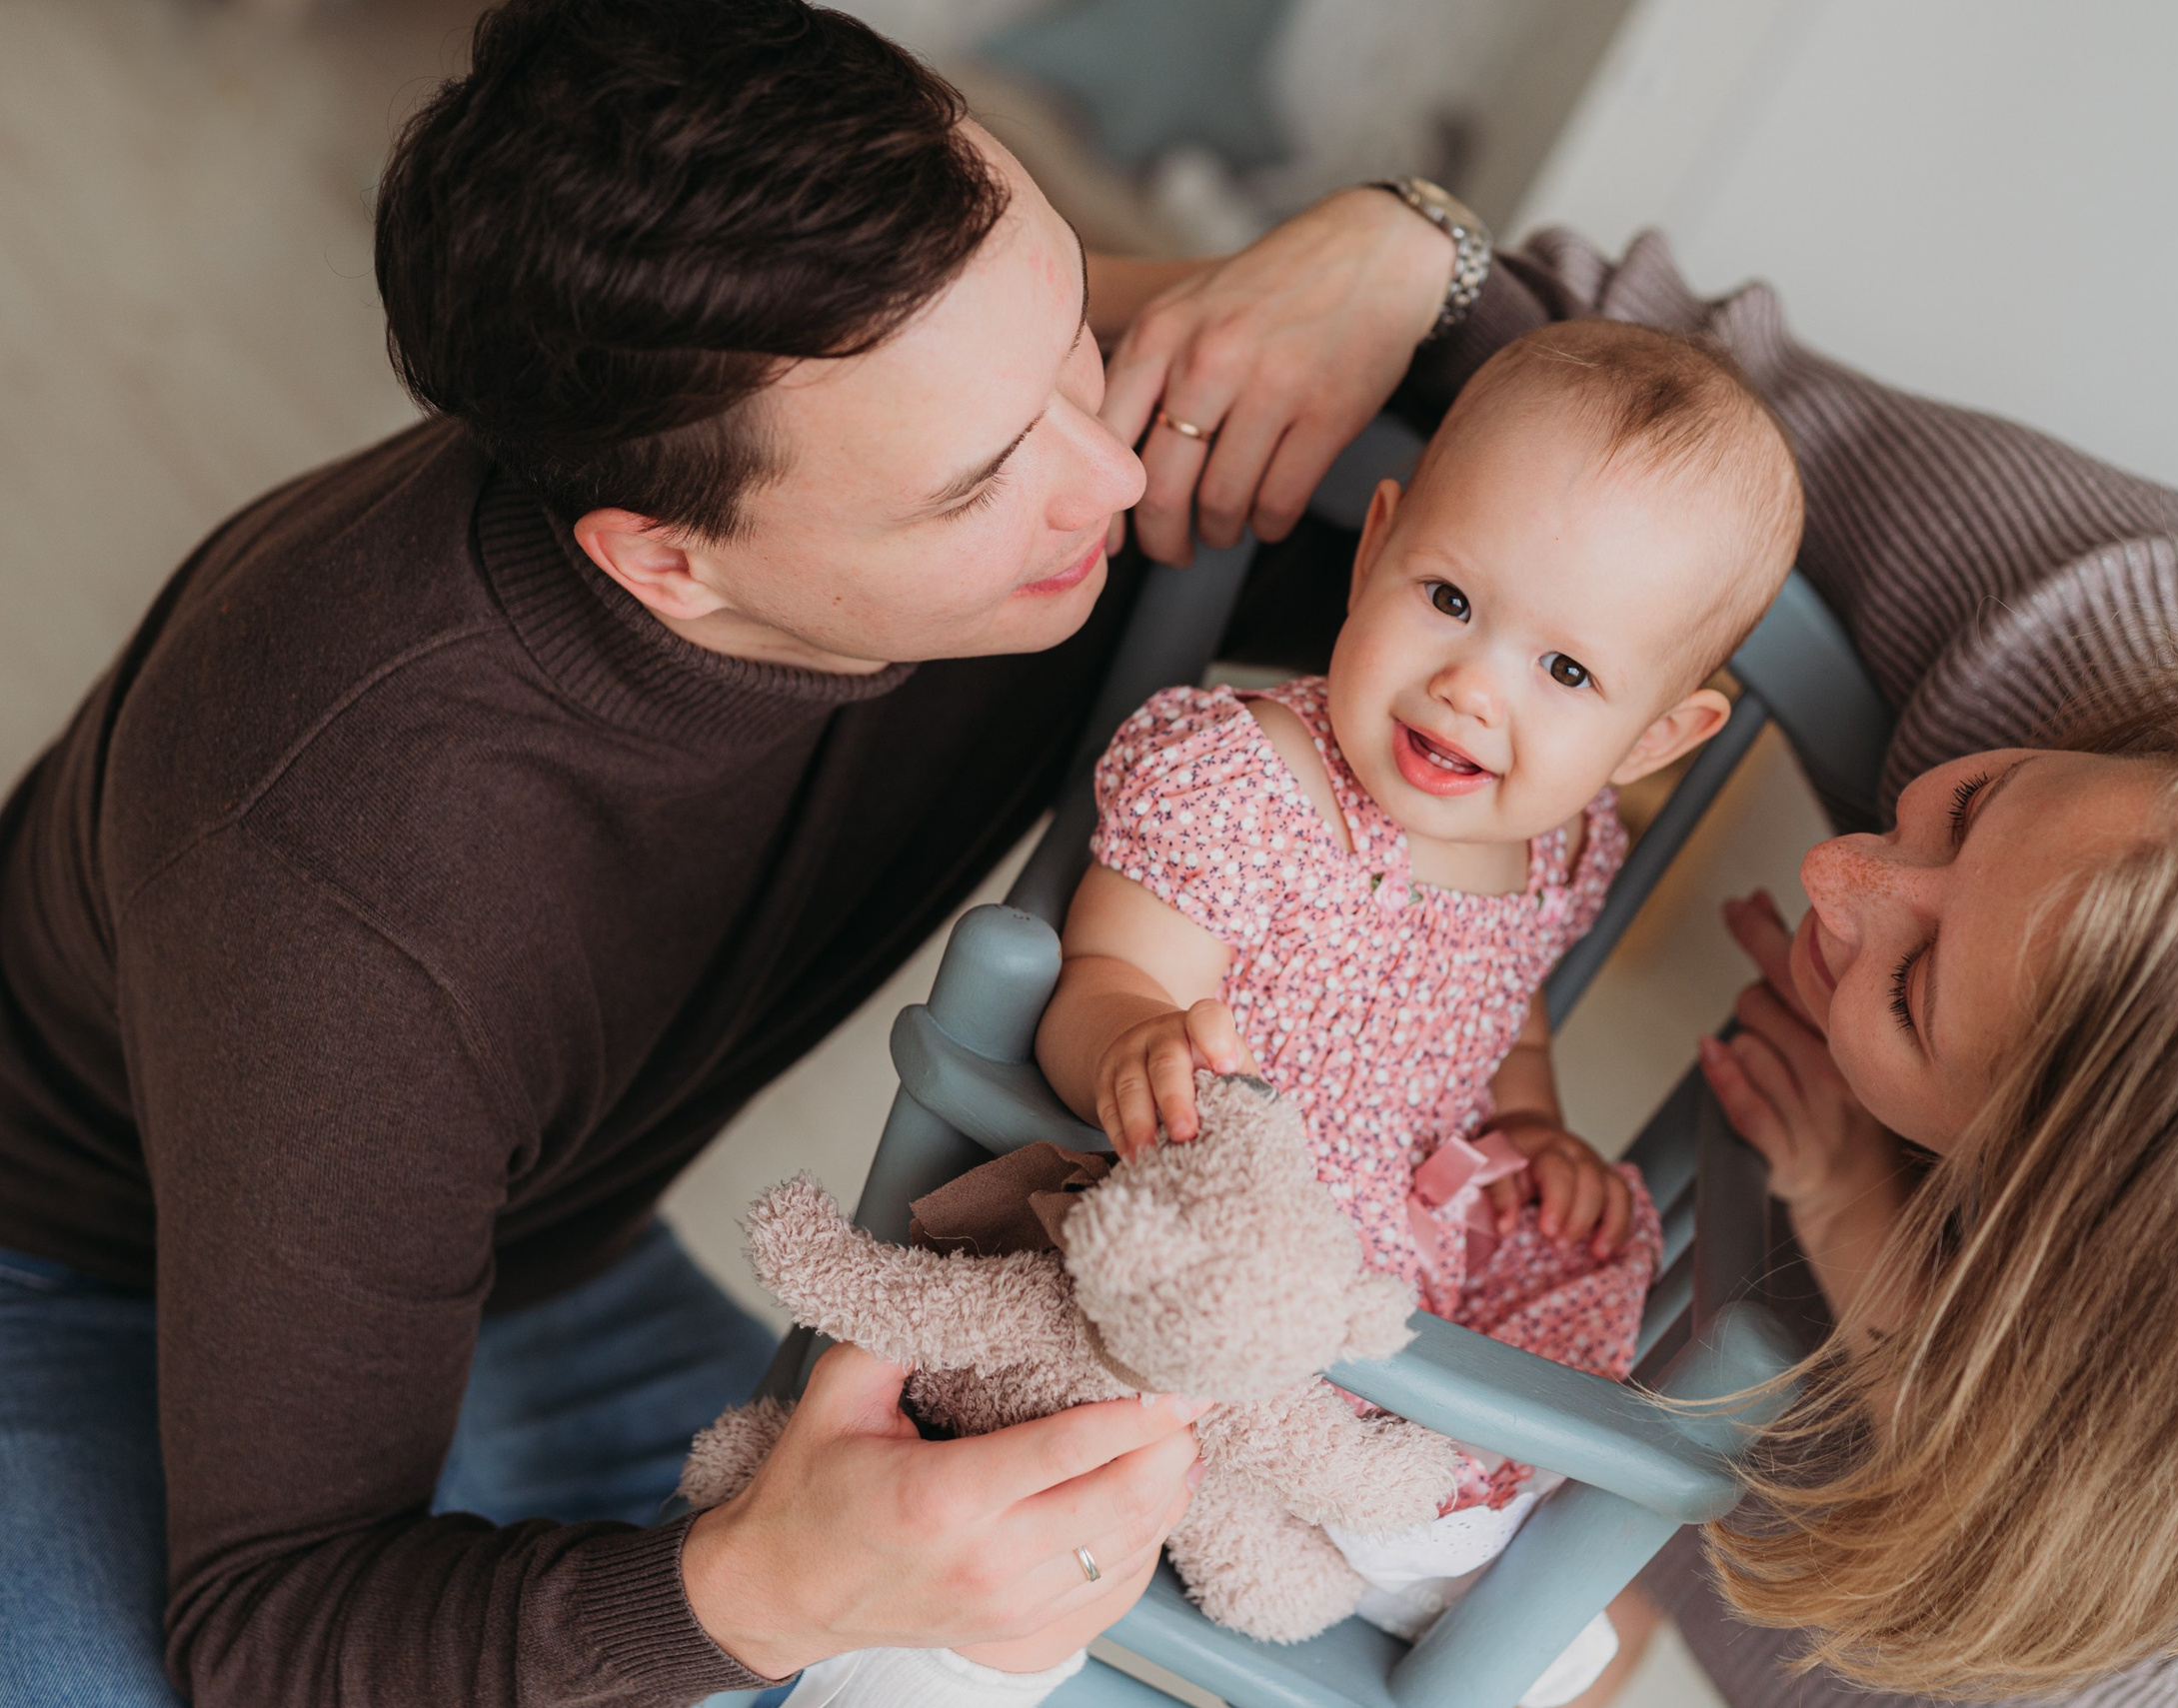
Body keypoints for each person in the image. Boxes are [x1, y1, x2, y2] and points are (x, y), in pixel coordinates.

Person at [0, 4, 1474, 1704]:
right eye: (975, 484)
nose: (1109, 468)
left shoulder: (962, 390)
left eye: (1078, 327)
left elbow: (1615, 479)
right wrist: (767, 1590)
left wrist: (1401, 252)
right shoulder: (346, 879)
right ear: (666, 564)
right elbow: (273, 1626)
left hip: (531, 1243)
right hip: (80, 1280)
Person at [1096, 227, 2178, 1707]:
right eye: (1973, 807)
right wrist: (1414, 246)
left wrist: (1854, 1208)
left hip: (2146, 1502)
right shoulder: (2128, 618)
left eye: (1913, 989)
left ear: (2003, 1200)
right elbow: (1657, 385)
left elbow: (1884, 1597)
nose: (1832, 872)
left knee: (1621, 1570)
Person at [1033, 317, 1799, 1697]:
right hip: (1215, 1229)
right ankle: (1336, 1527)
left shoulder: (1560, 849)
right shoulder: (1246, 780)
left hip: (1400, 1259)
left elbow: (1511, 1018)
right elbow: (1108, 980)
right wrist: (1133, 1045)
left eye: (1566, 672)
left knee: (1566, 1325)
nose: (1472, 685)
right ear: (1375, 547)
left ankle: (1406, 1527)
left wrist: (1534, 1126)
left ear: (1655, 739)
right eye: (1448, 597)